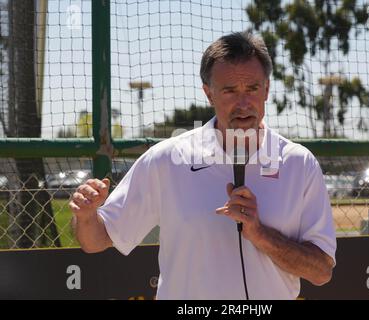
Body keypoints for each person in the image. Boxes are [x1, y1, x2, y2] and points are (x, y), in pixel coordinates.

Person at [69, 32, 336, 300]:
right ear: (209, 94)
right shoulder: (167, 159)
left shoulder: (299, 164)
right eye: (230, 90)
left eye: (252, 89)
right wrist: (86, 216)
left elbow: (322, 272)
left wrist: (260, 234)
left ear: (266, 89)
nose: (243, 103)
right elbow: (97, 240)